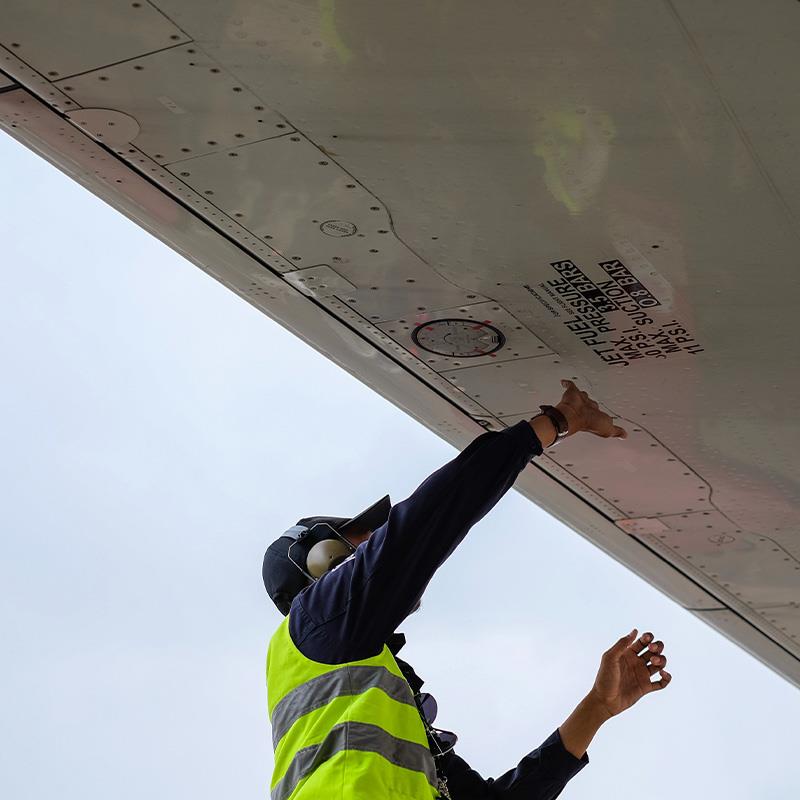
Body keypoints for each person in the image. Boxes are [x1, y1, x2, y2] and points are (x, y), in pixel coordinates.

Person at [262, 379, 672, 799]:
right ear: (324, 561)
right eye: (365, 538)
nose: (376, 543)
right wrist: (555, 423)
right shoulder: (316, 622)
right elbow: (429, 519)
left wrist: (596, 708)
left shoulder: (368, 691)